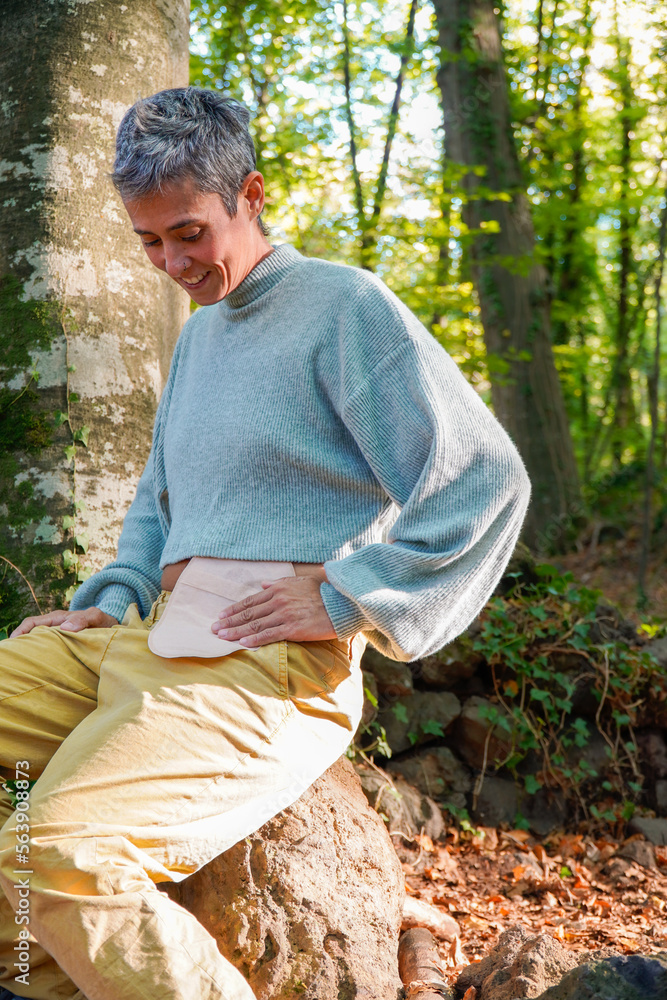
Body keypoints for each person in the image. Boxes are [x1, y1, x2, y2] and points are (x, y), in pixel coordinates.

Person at [0, 87, 530, 1000]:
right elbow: (160, 505)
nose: (172, 261)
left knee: (62, 856)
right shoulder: (200, 342)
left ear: (250, 194)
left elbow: (484, 481)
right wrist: (114, 595)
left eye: (190, 232)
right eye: (149, 241)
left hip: (264, 668)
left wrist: (347, 593)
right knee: (30, 845)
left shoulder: (342, 307)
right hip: (143, 639)